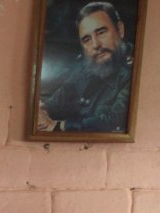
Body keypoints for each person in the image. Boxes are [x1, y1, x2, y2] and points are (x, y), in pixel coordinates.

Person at [37, 1, 134, 133]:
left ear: (120, 30)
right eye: (87, 39)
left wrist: (59, 126)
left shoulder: (135, 73)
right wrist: (41, 110)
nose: (95, 44)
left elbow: (114, 120)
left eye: (101, 32)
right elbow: (58, 101)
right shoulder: (85, 67)